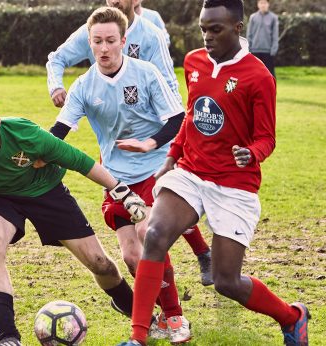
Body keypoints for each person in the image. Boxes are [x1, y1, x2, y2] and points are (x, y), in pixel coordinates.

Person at [118, 0, 309, 345]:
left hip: (235, 184)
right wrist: (171, 157)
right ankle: (138, 337)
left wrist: (250, 153)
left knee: (226, 281)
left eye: (215, 29)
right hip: (191, 172)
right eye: (203, 28)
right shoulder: (193, 62)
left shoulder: (259, 76)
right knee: (156, 234)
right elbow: (191, 116)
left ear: (238, 28)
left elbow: (267, 138)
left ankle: (292, 317)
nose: (206, 36)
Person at [0, 97, 148, 346]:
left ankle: (139, 315)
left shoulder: (25, 134)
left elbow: (76, 159)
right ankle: (8, 337)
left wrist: (120, 190)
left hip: (46, 190)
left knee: (100, 264)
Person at [48, 6, 193, 343]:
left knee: (148, 231)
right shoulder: (84, 85)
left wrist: (150, 143)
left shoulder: (145, 74)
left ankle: (175, 317)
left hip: (155, 170)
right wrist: (33, 154)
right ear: (90, 42)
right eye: (97, 41)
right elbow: (60, 130)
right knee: (130, 256)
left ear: (123, 41)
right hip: (115, 179)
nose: (104, 48)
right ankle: (157, 314)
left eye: (111, 41)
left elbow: (177, 118)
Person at [47, 0, 179, 109]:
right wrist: (56, 87)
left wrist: (177, 123)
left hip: (148, 124)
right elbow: (57, 58)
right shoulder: (91, 32)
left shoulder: (152, 35)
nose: (114, 1)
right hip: (110, 125)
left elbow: (168, 84)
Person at [247, 0, 279, 77]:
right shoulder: (253, 17)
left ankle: (271, 89)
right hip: (254, 50)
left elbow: (275, 35)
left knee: (270, 75)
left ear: (268, 4)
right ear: (258, 4)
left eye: (265, 3)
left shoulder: (273, 18)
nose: (263, 5)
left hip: (268, 51)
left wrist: (273, 49)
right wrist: (249, 49)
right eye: (261, 3)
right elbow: (249, 34)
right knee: (254, 75)